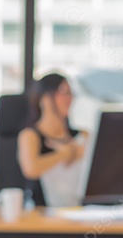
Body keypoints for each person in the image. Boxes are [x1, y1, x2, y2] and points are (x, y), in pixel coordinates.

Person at [17, 72, 89, 207]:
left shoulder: (83, 135)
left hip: (79, 210)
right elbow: (31, 169)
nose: (69, 98)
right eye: (63, 92)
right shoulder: (30, 135)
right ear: (44, 98)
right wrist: (63, 155)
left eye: (70, 93)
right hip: (42, 212)